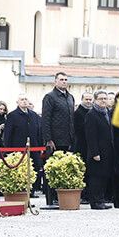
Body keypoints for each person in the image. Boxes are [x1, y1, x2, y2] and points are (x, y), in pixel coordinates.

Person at [41, 72, 75, 206]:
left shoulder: (70, 97)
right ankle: (51, 198)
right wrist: (49, 139)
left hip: (68, 139)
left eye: (66, 79)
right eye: (61, 79)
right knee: (52, 169)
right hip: (55, 140)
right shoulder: (50, 97)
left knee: (64, 169)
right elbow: (46, 119)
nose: (64, 82)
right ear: (55, 81)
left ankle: (61, 196)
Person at [3, 94, 43, 197]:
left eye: (26, 99)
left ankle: (32, 190)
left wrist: (40, 146)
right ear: (17, 102)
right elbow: (8, 134)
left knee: (35, 167)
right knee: (21, 168)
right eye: (22, 99)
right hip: (18, 147)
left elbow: (39, 131)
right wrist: (8, 149)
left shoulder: (34, 115)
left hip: (34, 147)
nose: (24, 101)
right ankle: (21, 189)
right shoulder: (12, 115)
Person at [84, 91, 113, 210]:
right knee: (96, 177)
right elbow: (91, 136)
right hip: (97, 152)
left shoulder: (106, 113)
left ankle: (101, 199)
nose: (103, 101)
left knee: (104, 176)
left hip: (107, 151)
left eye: (105, 98)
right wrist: (95, 152)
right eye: (100, 98)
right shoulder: (92, 114)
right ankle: (95, 202)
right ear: (95, 100)